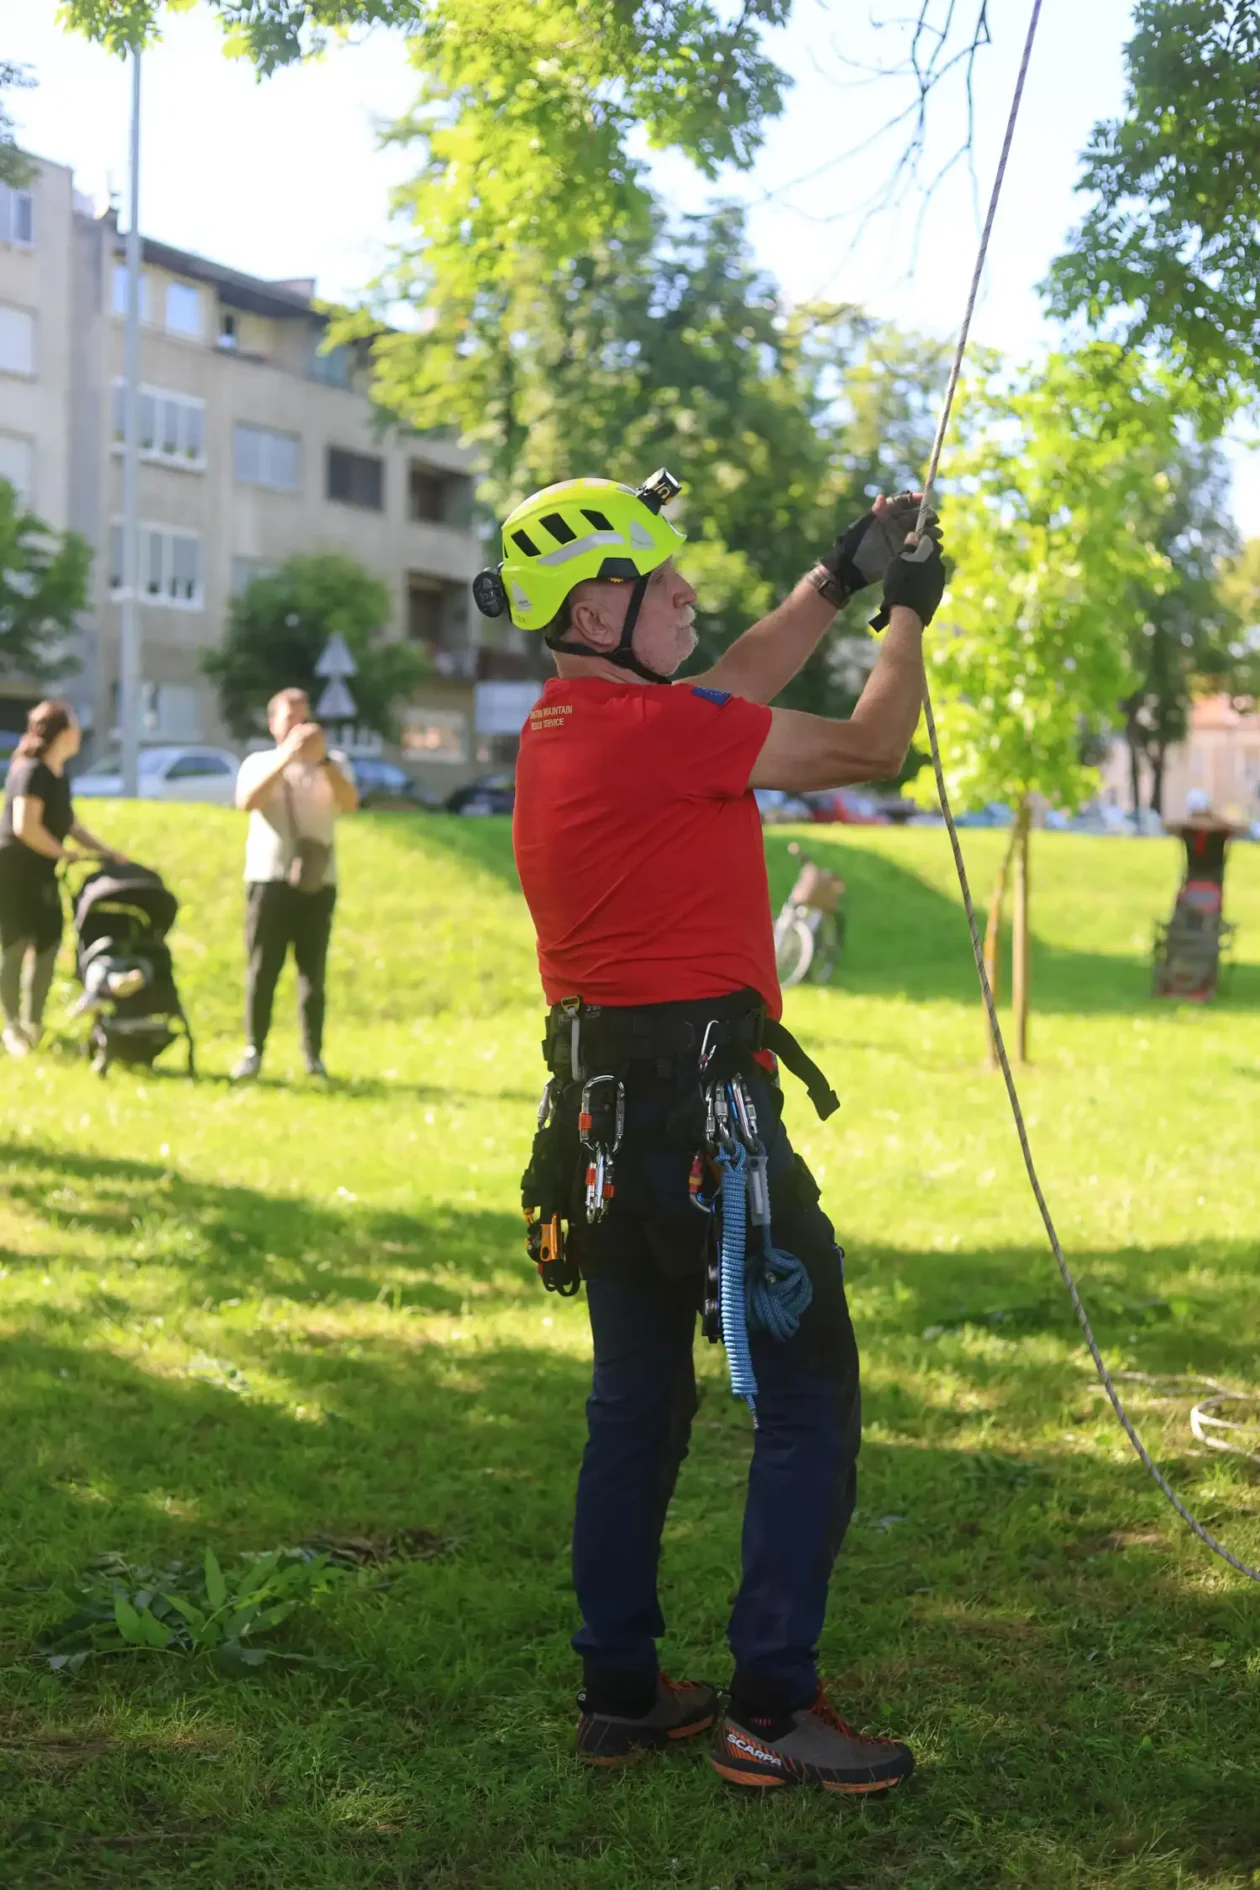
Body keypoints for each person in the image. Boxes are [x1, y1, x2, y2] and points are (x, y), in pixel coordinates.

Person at [475, 472, 946, 1794]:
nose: (685, 588)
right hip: (704, 1121)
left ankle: (620, 1688)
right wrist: (904, 619)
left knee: (635, 1406)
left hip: (601, 1123)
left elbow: (730, 683)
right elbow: (867, 749)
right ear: (593, 606)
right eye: (657, 575)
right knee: (807, 1402)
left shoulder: (580, 719)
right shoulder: (644, 732)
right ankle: (772, 1708)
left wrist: (838, 579)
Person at [230, 687, 357, 1081]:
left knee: (312, 974)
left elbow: (351, 803)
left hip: (318, 883)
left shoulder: (333, 763)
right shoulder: (260, 761)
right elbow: (247, 801)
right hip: (268, 879)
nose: (299, 728)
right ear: (273, 724)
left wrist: (321, 761)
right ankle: (254, 1051)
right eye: (290, 720)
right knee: (262, 970)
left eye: (304, 719)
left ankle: (313, 1056)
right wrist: (287, 755)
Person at [0, 699, 124, 1056]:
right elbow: (25, 826)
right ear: (59, 732)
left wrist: (104, 851)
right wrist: (64, 853)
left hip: (43, 873)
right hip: (14, 873)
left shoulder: (58, 773)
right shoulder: (31, 771)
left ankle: (33, 1023)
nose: (78, 733)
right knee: (15, 946)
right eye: (72, 726)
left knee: (48, 944)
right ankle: (11, 1028)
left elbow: (69, 822)